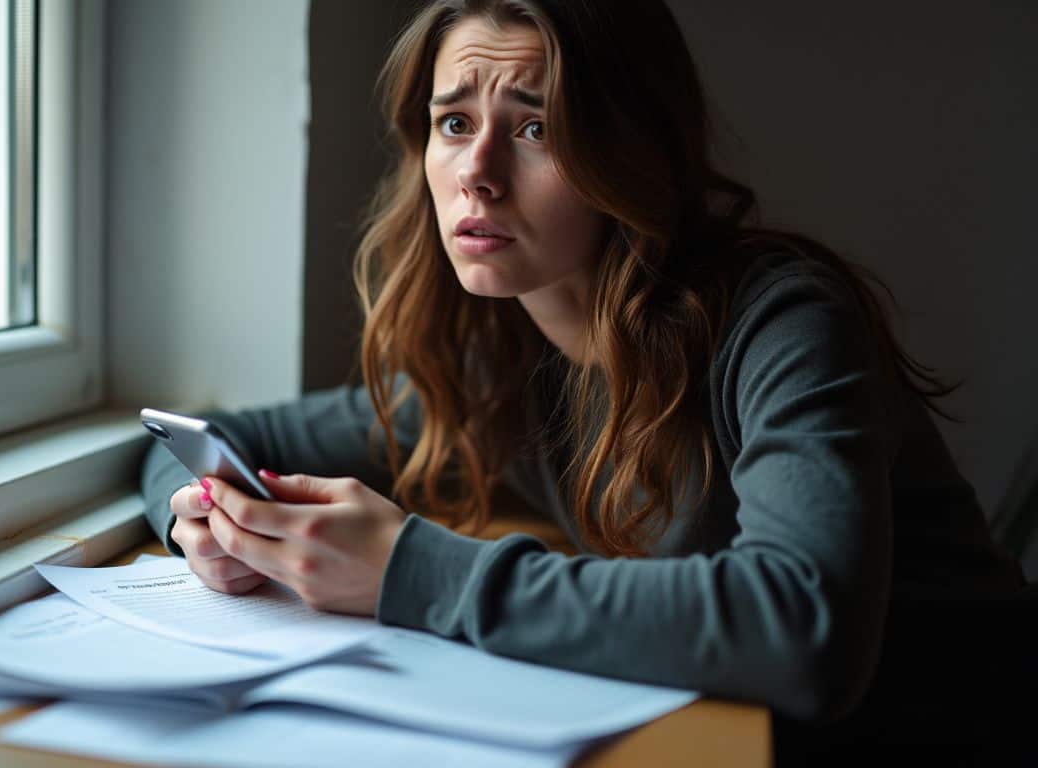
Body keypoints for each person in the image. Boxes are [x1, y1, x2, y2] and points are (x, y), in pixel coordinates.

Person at [140, 0, 1025, 748]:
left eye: (535, 127)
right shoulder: (498, 368)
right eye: (454, 123)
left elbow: (801, 629)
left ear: (629, 152)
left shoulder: (783, 320)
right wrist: (206, 528)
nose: (477, 174)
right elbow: (211, 443)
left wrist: (409, 569)